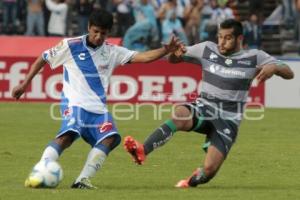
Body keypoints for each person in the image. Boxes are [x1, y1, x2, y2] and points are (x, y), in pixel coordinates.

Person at [12, 9, 181, 189]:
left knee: (110, 138)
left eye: (103, 33)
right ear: (88, 27)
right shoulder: (70, 45)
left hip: (98, 110)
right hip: (74, 104)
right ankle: (40, 170)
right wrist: (24, 84)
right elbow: (43, 58)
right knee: (67, 137)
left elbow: (144, 57)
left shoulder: (112, 51)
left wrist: (165, 50)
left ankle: (82, 180)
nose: (99, 36)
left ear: (109, 33)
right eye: (95, 32)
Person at [124, 19, 294, 188]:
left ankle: (189, 183)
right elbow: (174, 59)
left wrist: (275, 67)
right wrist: (176, 54)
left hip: (228, 120)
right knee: (180, 113)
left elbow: (289, 72)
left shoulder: (254, 57)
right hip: (204, 107)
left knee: (209, 170)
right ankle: (142, 150)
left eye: (227, 38)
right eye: (220, 37)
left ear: (239, 39)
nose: (221, 41)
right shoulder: (206, 49)